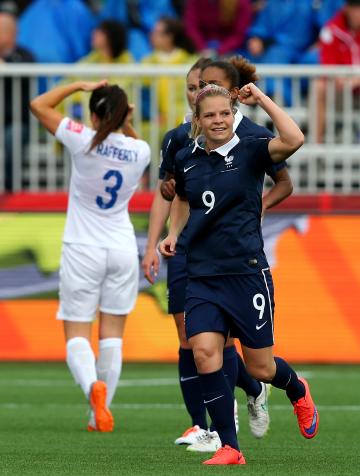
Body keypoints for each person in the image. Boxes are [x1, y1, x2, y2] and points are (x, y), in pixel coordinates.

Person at [159, 84, 318, 465]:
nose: (218, 120)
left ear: (234, 116)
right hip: (201, 274)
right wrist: (173, 233)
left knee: (259, 367)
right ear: (197, 120)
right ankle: (231, 447)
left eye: (225, 114)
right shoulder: (186, 157)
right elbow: (182, 198)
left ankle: (297, 389)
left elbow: (294, 138)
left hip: (246, 274)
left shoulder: (251, 148)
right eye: (210, 115)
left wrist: (261, 100)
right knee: (204, 352)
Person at [142, 56, 293, 452]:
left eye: (209, 85)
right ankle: (210, 431)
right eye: (195, 86)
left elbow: (285, 179)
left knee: (244, 355)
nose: (200, 90)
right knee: (196, 341)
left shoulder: (254, 140)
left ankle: (257, 389)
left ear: (231, 94)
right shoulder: (179, 143)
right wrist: (160, 239)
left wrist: (254, 208)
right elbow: (176, 196)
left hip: (240, 263)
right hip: (195, 257)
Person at [30, 80, 150, 431]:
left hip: (83, 247)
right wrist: (124, 119)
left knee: (78, 333)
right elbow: (131, 139)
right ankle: (101, 413)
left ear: (95, 116)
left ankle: (91, 388)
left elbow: (39, 105)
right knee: (112, 334)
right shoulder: (139, 150)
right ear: (123, 114)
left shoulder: (82, 138)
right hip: (122, 248)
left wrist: (78, 86)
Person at [315, 0, 360, 143]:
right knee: (319, 86)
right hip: (340, 90)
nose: (357, 13)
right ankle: (316, 149)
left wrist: (356, 80)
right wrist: (340, 78)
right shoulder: (331, 29)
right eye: (354, 8)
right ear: (346, 8)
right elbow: (328, 66)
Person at [0, 9, 34, 192]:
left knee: (13, 136)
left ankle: (10, 192)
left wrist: (6, 67)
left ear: (10, 33)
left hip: (15, 122)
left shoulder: (24, 56)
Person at [141, 16, 197, 126]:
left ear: (169, 37)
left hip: (186, 122)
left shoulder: (191, 61)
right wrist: (152, 115)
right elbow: (144, 95)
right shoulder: (147, 62)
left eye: (157, 33)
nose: (152, 36)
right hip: (157, 124)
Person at [183, 0, 252, 57]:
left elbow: (239, 34)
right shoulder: (195, 2)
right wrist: (202, 49)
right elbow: (191, 28)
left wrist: (219, 51)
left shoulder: (241, 3)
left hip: (231, 50)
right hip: (200, 50)